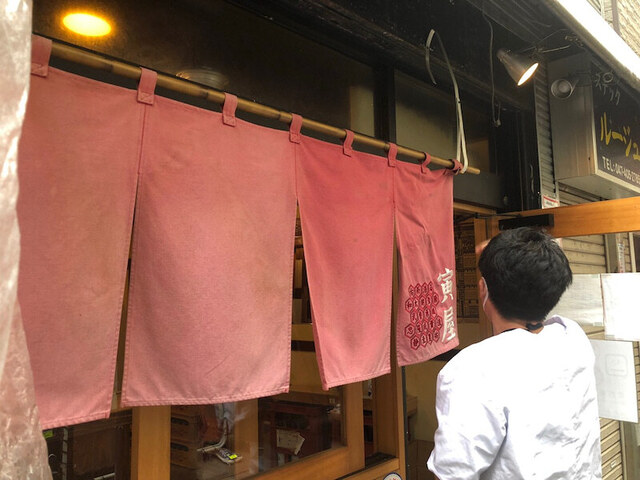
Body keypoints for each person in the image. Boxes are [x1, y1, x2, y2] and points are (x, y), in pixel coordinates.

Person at [427, 227, 602, 479]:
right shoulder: (572, 338)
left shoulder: (472, 370)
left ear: (482, 289)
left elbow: (452, 474)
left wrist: (503, 255)